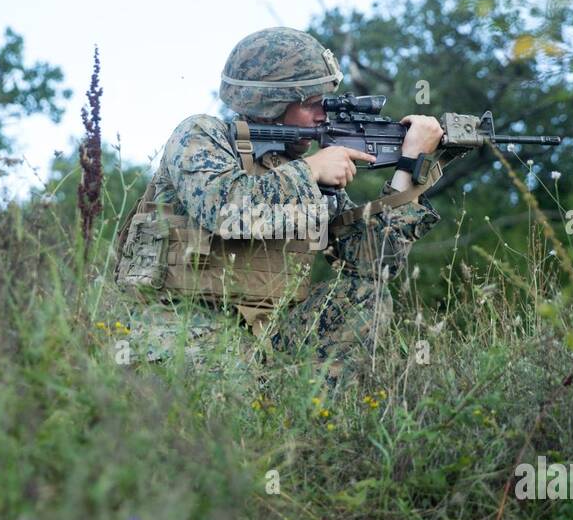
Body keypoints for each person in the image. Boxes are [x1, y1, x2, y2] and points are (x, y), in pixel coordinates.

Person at [112, 27, 444, 378]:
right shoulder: (201, 135)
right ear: (272, 103)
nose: (324, 116)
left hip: (267, 334)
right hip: (181, 324)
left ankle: (315, 420)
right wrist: (310, 170)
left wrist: (409, 167)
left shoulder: (298, 171)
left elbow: (374, 263)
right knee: (227, 405)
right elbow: (225, 210)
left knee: (366, 293)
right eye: (313, 104)